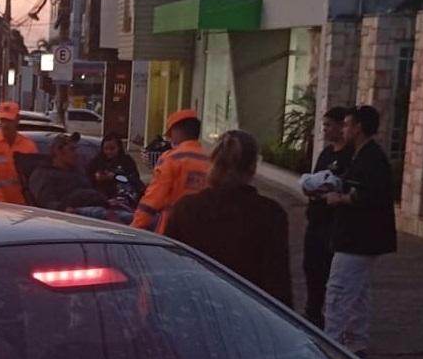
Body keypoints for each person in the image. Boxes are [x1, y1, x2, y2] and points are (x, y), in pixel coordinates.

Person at [162, 130, 292, 306]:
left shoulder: (185, 209)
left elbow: (169, 271)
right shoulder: (270, 214)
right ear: (253, 167)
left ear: (213, 163)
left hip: (196, 309)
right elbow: (278, 283)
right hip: (249, 315)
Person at [323, 105, 397, 356]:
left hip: (358, 238)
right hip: (359, 237)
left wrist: (340, 199)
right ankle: (356, 340)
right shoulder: (361, 155)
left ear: (359, 128)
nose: (344, 129)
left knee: (339, 290)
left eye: (347, 124)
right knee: (359, 291)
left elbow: (369, 195)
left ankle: (333, 345)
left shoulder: (372, 158)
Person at [299, 107, 353, 329]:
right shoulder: (326, 154)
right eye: (324, 125)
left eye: (329, 125)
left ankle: (332, 320)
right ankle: (312, 311)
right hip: (316, 219)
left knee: (328, 269)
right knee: (310, 265)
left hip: (334, 223)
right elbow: (315, 178)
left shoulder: (350, 156)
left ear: (342, 127)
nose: (324, 129)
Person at [131, 108, 210, 231]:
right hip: (203, 228)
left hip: (173, 227)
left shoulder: (171, 158)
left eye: (171, 134)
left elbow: (153, 199)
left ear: (177, 130)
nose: (171, 138)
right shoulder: (210, 160)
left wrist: (135, 228)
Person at [28, 133, 107, 212]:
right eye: (72, 149)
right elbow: (45, 203)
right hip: (73, 215)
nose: (77, 154)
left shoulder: (77, 171)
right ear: (58, 151)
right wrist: (64, 209)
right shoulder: (43, 174)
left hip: (99, 206)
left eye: (76, 149)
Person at [86, 132, 144, 198]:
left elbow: (133, 179)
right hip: (101, 194)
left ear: (119, 148)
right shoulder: (97, 161)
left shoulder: (127, 161)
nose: (109, 152)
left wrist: (115, 177)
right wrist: (96, 177)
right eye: (106, 149)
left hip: (123, 194)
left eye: (112, 149)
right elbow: (87, 178)